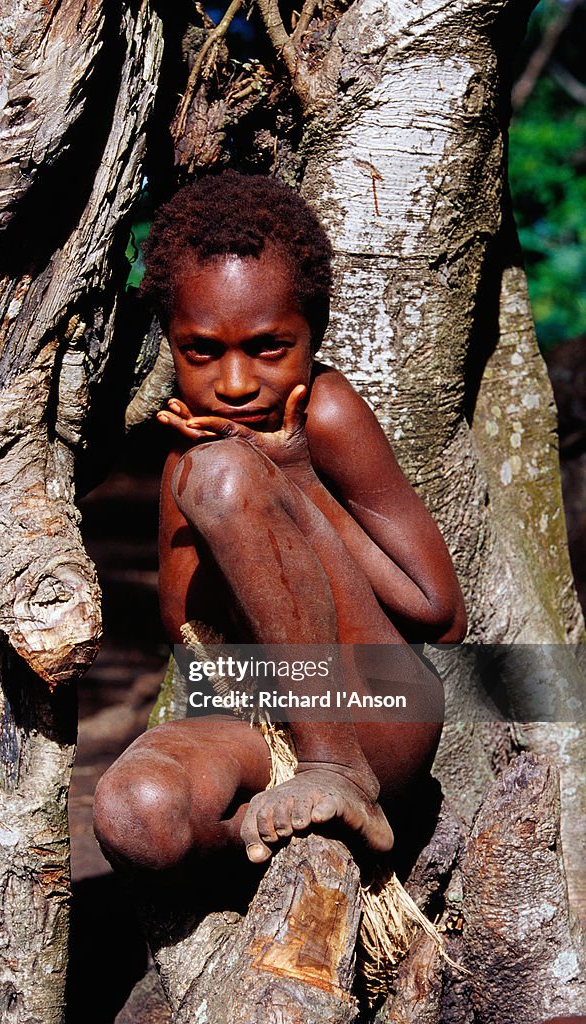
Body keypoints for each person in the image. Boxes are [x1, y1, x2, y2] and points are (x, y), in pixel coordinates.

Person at [93, 171, 466, 881]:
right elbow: (188, 631)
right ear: (170, 342)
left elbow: (438, 614)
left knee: (225, 476)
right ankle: (266, 831)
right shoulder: (190, 449)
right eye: (200, 350)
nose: (234, 383)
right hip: (261, 728)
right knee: (132, 812)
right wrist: (205, 492)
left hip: (372, 711)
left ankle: (336, 775)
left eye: (269, 347)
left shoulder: (324, 412)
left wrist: (291, 479)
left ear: (313, 334)